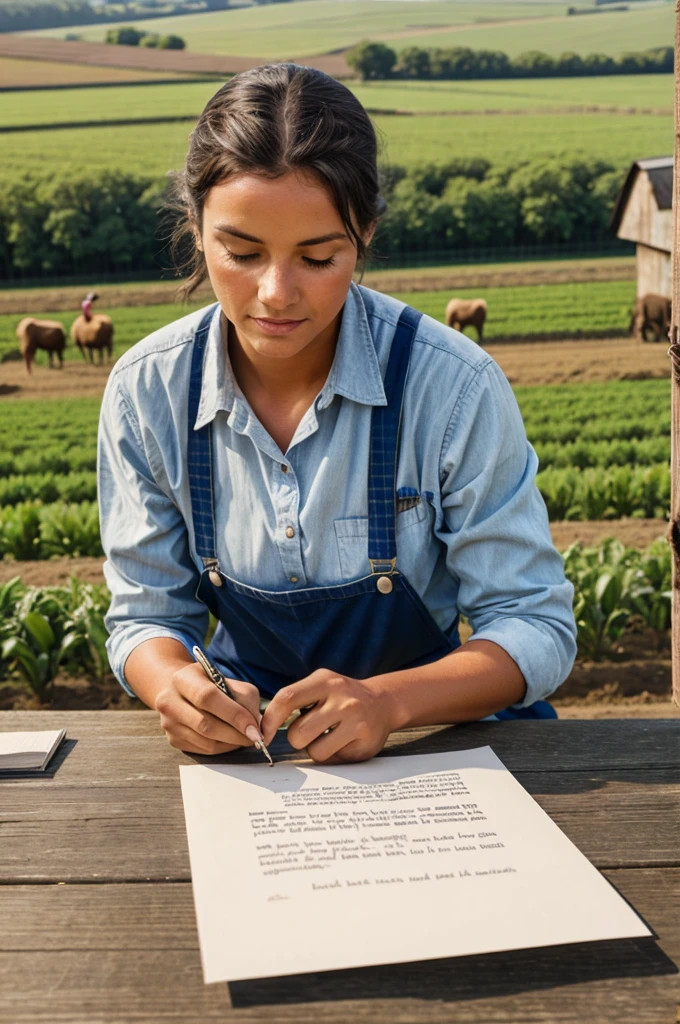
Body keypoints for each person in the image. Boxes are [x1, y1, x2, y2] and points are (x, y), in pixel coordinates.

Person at [98, 64, 576, 764]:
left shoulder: (453, 386)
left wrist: (391, 702)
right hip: (253, 758)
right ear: (196, 229)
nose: (276, 293)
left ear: (365, 235)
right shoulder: (147, 391)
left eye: (318, 256)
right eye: (241, 252)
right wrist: (174, 684)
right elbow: (146, 617)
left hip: (437, 741)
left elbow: (533, 622)